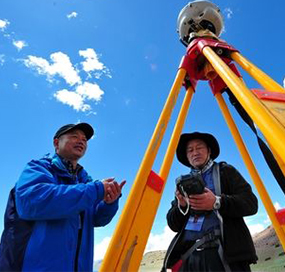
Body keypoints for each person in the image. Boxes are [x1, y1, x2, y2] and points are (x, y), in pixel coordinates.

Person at [0, 122, 126, 272]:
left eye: (84, 140)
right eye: (74, 136)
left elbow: (97, 219)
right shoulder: (38, 168)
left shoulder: (85, 181)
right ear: (56, 142)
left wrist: (109, 204)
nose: (81, 141)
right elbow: (33, 202)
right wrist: (96, 189)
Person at [162, 132, 258, 272]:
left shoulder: (226, 171)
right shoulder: (183, 185)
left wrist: (217, 202)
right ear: (187, 157)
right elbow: (173, 224)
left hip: (223, 255)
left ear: (209, 151)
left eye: (199, 147)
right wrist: (182, 206)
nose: (195, 152)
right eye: (190, 150)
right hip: (190, 257)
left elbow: (251, 203)